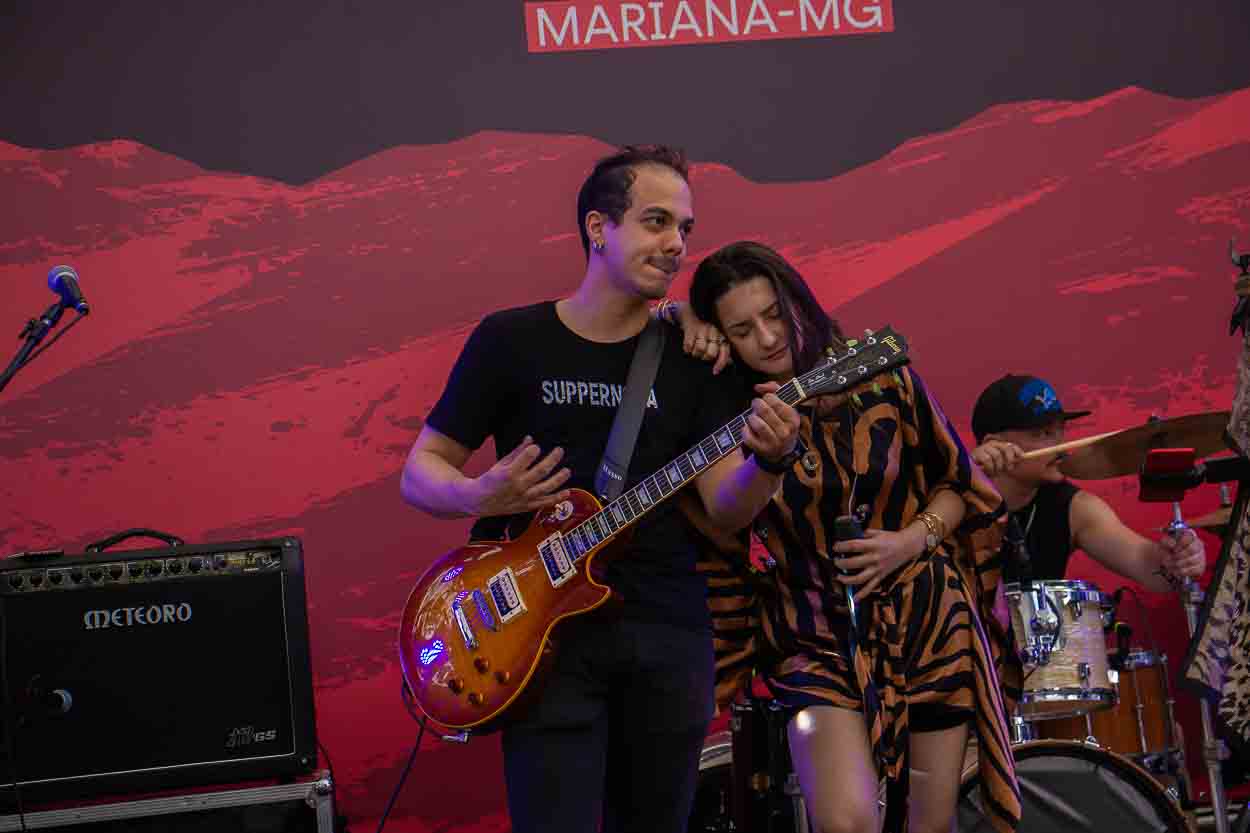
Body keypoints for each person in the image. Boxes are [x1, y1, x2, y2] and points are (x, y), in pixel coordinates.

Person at [399, 147, 801, 833]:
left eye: (685, 228)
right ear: (598, 228)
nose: (676, 245)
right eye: (656, 221)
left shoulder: (694, 358)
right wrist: (478, 495)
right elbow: (420, 471)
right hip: (540, 641)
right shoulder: (511, 339)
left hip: (666, 632)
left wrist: (771, 460)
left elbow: (726, 507)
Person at [672, 241, 1021, 833]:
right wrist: (681, 317)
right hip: (811, 632)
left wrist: (906, 542)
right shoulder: (728, 413)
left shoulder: (881, 374)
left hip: (928, 620)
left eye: (774, 314)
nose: (767, 338)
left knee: (928, 824)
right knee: (845, 822)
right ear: (723, 338)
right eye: (742, 329)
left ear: (798, 300)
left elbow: (957, 486)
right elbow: (722, 514)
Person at [969, 374, 1206, 590]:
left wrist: (1175, 561)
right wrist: (963, 476)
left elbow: (1145, 564)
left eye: (1060, 431)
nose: (1061, 446)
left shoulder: (1075, 507)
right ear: (993, 444)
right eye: (1043, 433)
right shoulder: (957, 499)